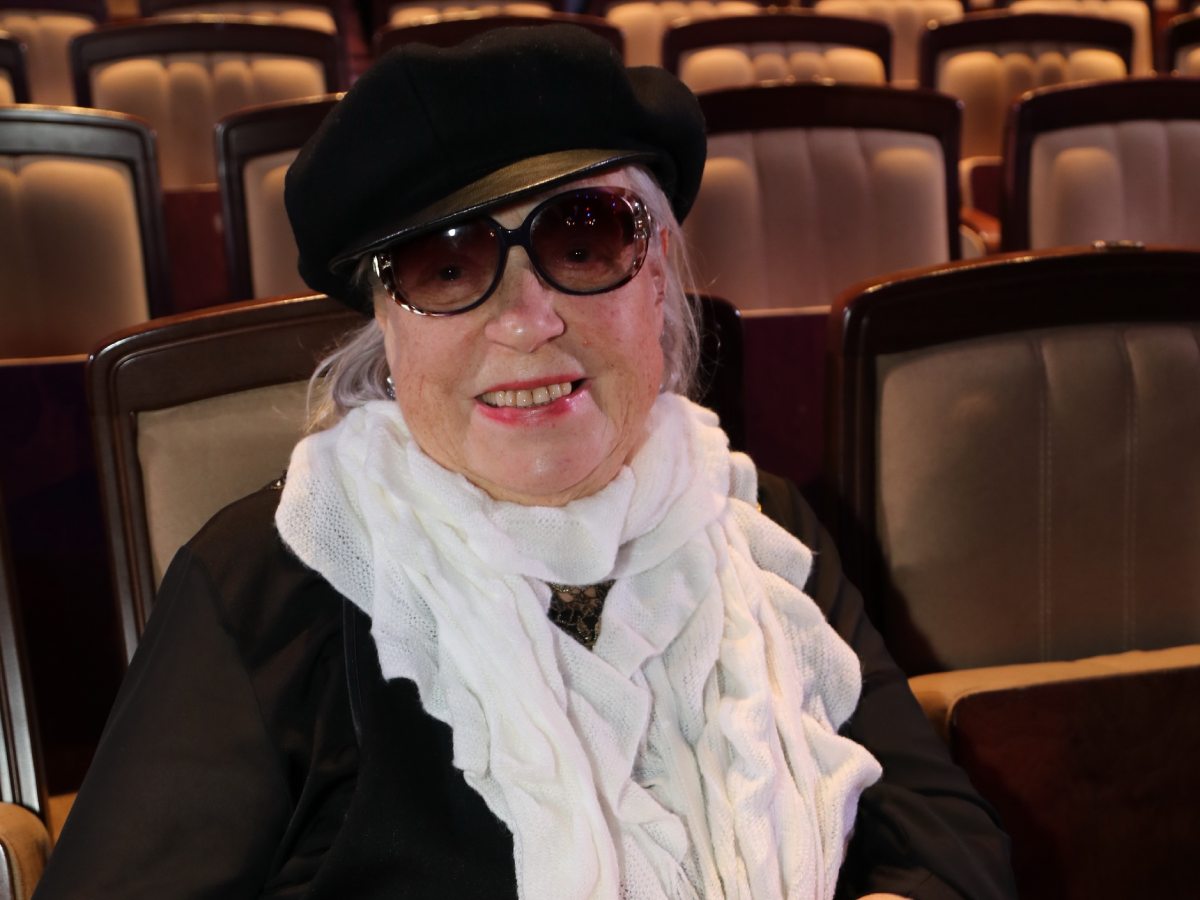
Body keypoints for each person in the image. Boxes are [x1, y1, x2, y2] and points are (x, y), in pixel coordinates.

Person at [34, 25, 1018, 900]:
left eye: (583, 242)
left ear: (658, 277)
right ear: (388, 324)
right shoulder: (267, 584)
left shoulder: (762, 530)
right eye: (448, 266)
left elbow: (951, 847)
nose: (527, 320)